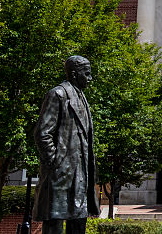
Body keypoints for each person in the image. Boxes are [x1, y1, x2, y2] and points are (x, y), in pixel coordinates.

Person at [33, 56, 99, 234]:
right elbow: (42, 133)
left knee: (78, 219)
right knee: (55, 220)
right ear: (74, 74)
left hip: (80, 172)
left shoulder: (81, 96)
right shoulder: (58, 94)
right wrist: (55, 162)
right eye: (87, 74)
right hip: (61, 172)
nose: (90, 78)